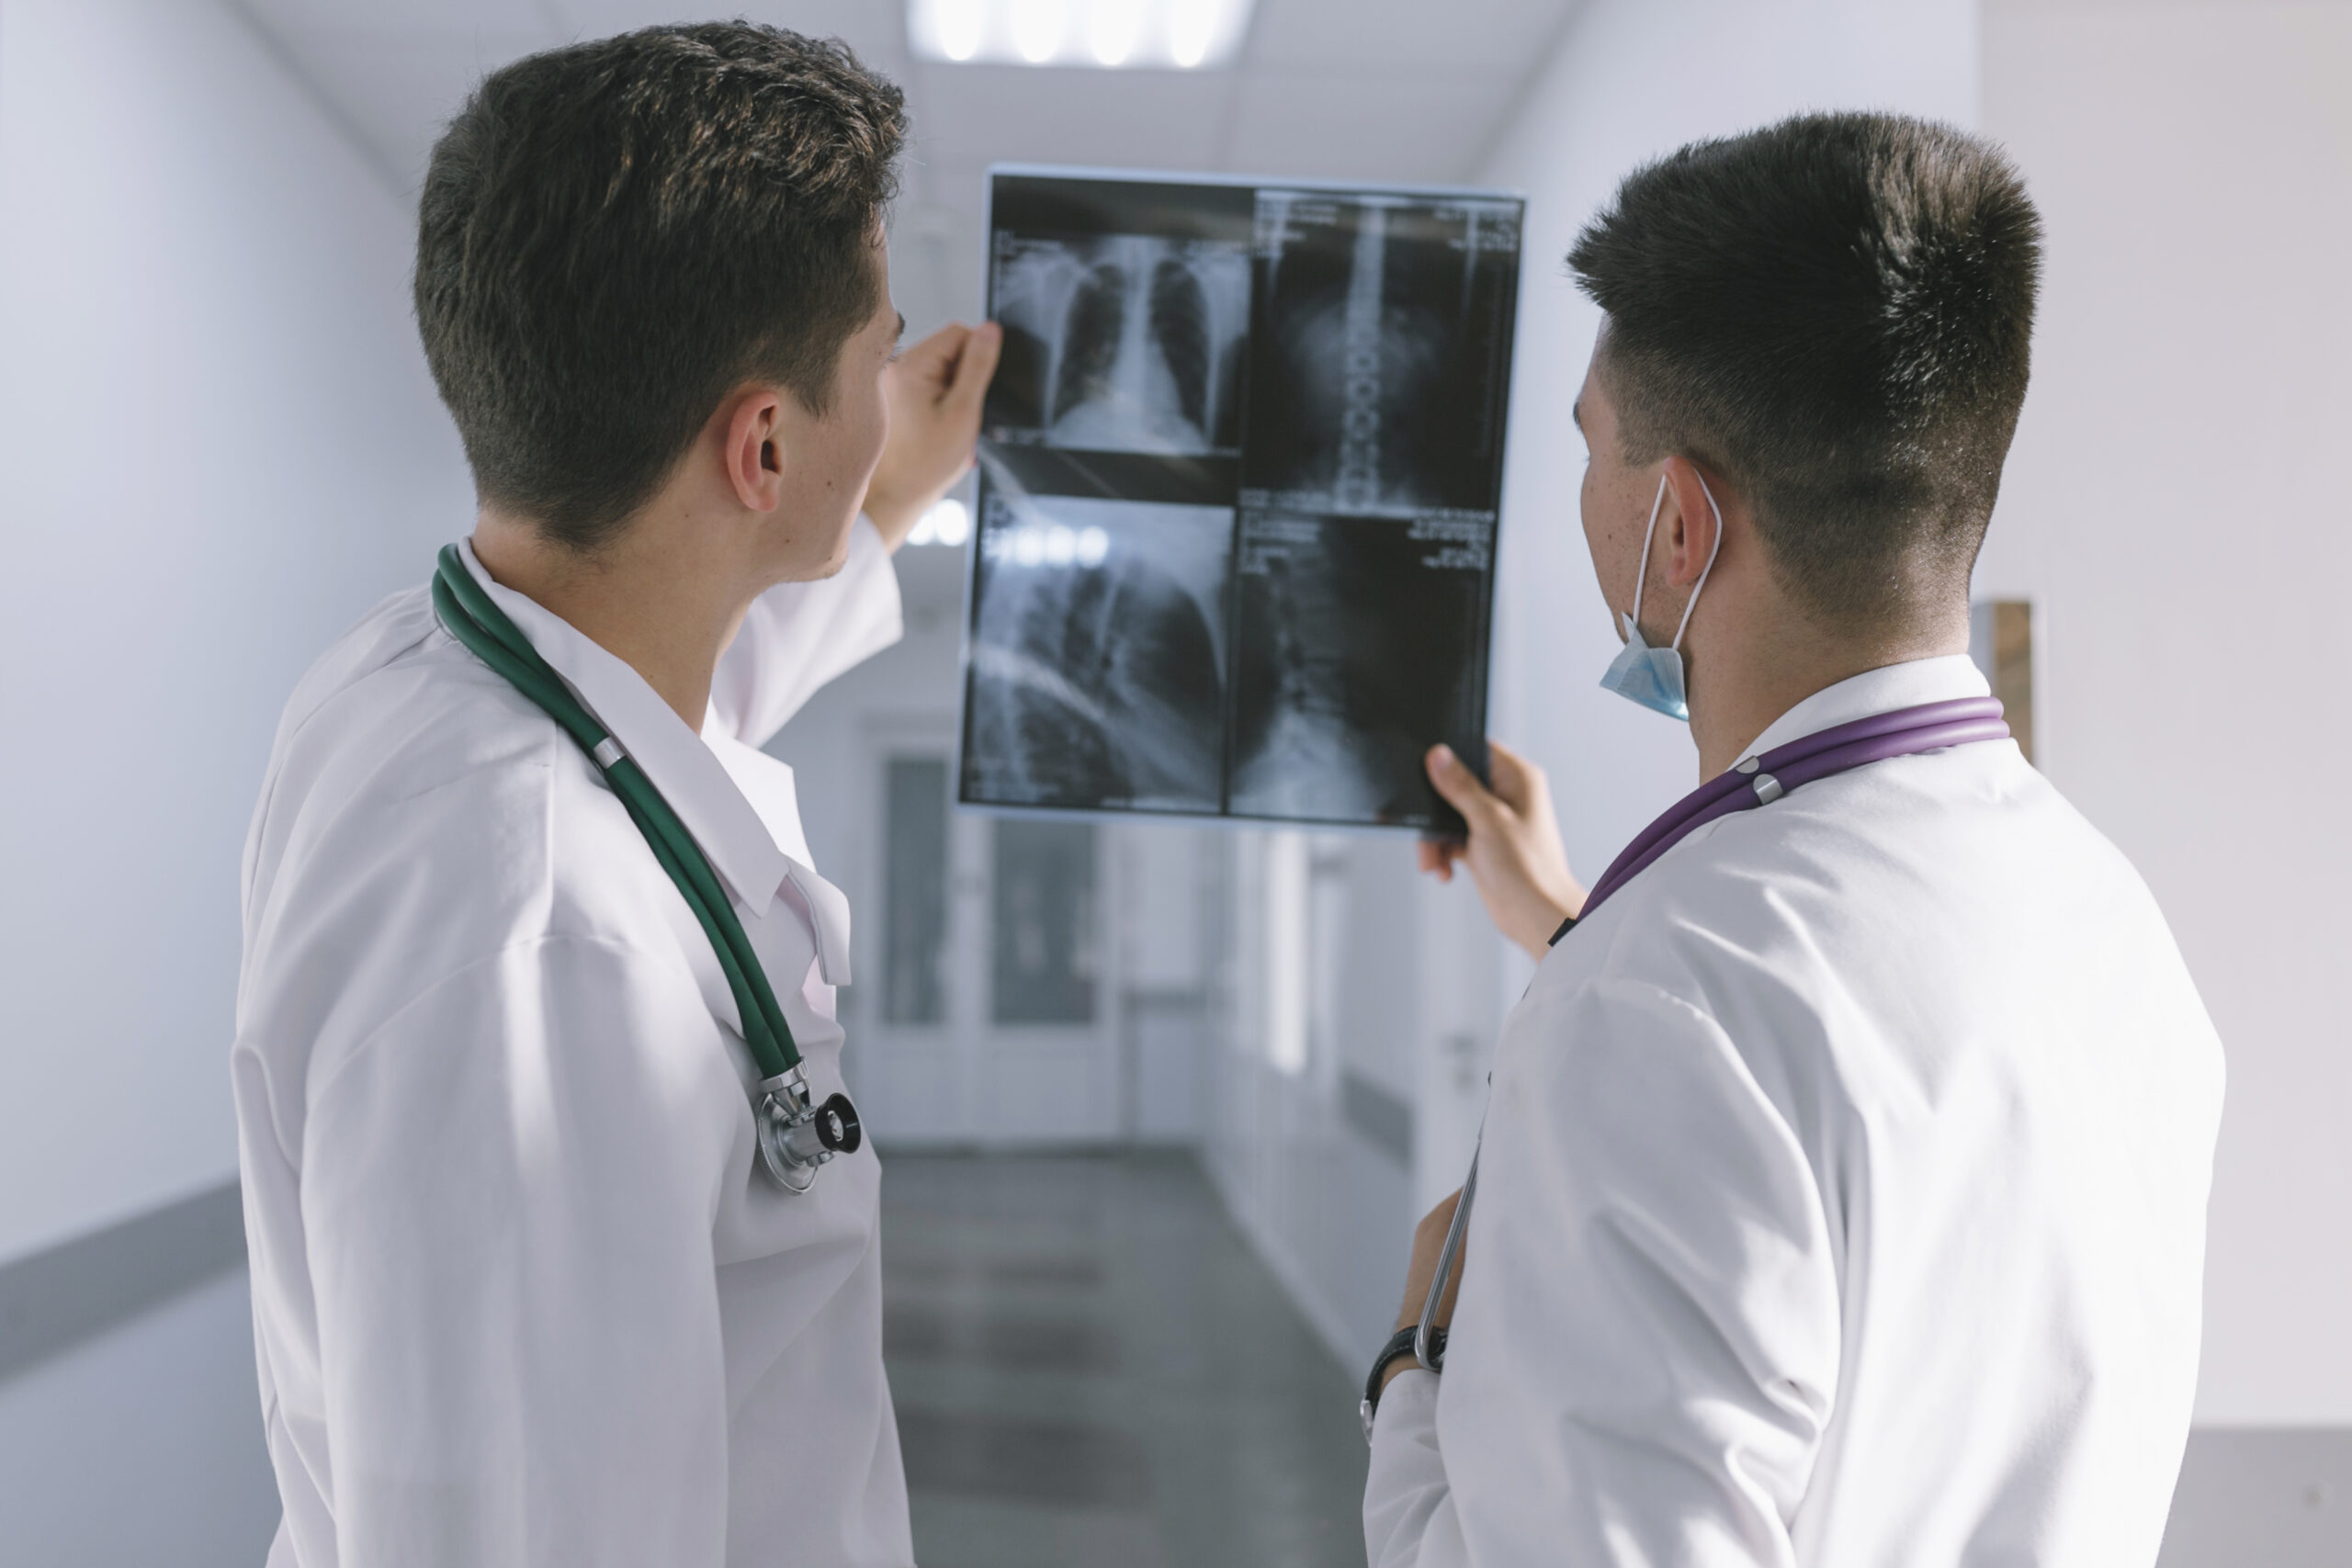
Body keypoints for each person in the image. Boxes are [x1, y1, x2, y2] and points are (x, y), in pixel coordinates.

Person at [1361, 113, 2223, 1565]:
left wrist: (1414, 1357)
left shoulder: (1659, 997)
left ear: (1680, 528)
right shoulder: (2114, 924)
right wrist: (1577, 927)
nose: (1585, 496)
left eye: (1593, 451)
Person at [231, 25, 1000, 1567]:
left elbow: (661, 697)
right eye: (875, 350)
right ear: (764, 443)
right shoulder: (542, 947)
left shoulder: (419, 674)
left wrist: (886, 491)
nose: (890, 374)